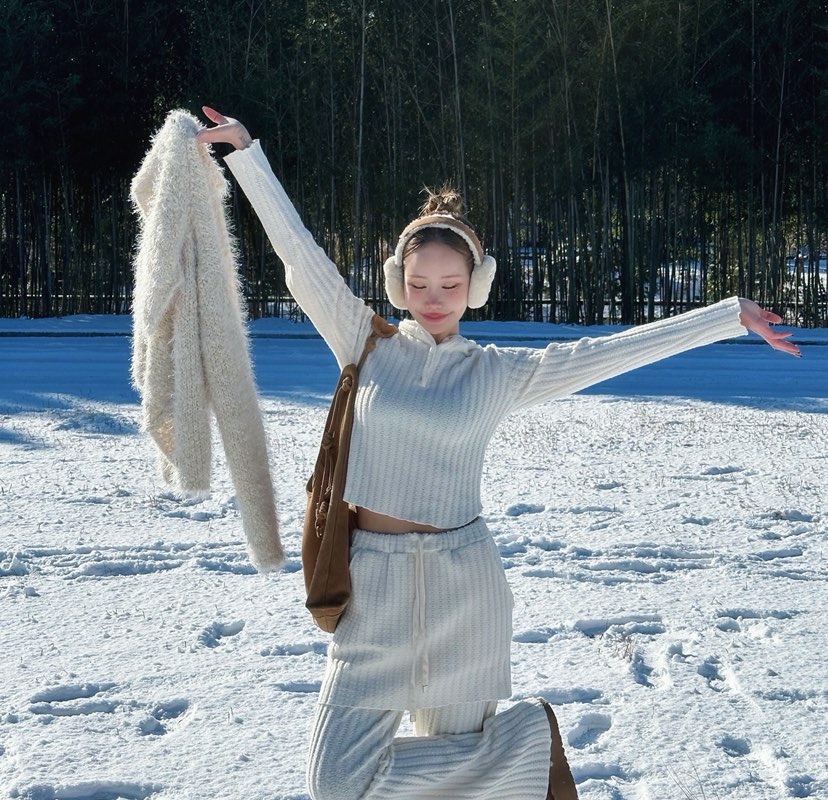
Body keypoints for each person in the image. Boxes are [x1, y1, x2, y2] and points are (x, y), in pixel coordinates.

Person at [195, 106, 799, 800]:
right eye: (418, 284)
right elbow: (298, 254)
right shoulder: (365, 342)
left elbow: (608, 353)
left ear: (476, 287)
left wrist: (723, 316)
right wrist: (245, 154)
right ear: (398, 282)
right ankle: (525, 744)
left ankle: (514, 750)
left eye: (451, 286)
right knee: (339, 784)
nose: (433, 299)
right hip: (375, 592)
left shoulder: (496, 373)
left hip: (466, 591)